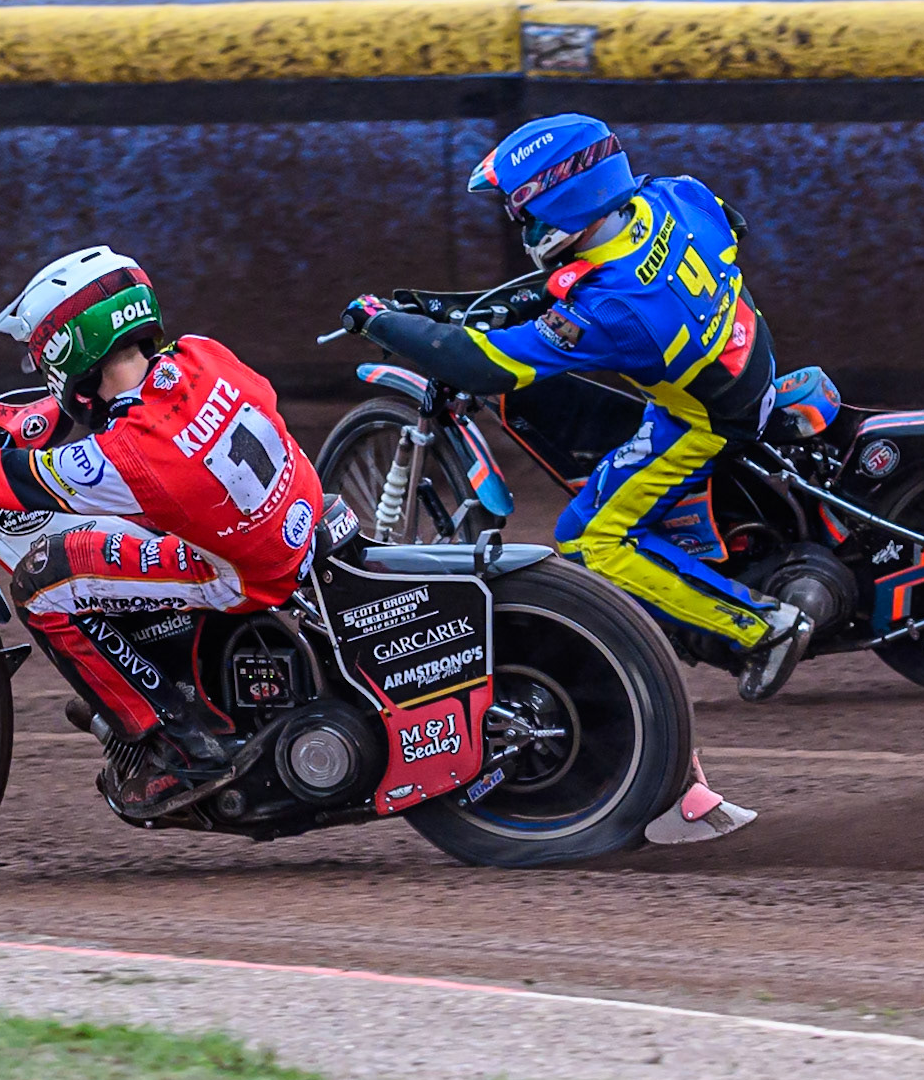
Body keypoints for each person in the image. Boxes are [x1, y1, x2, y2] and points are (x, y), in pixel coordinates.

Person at [0, 246, 324, 818]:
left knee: (43, 579)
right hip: (298, 516)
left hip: (243, 573)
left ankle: (177, 744)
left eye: (44, 358)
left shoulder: (128, 455)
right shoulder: (203, 357)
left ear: (68, 350)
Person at [340, 113, 814, 703]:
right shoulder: (673, 195)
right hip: (748, 352)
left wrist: (380, 320)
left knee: (589, 536)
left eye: (526, 213)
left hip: (704, 420)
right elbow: (729, 224)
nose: (523, 227)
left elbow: (486, 366)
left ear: (562, 205)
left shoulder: (612, 311)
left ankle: (761, 628)